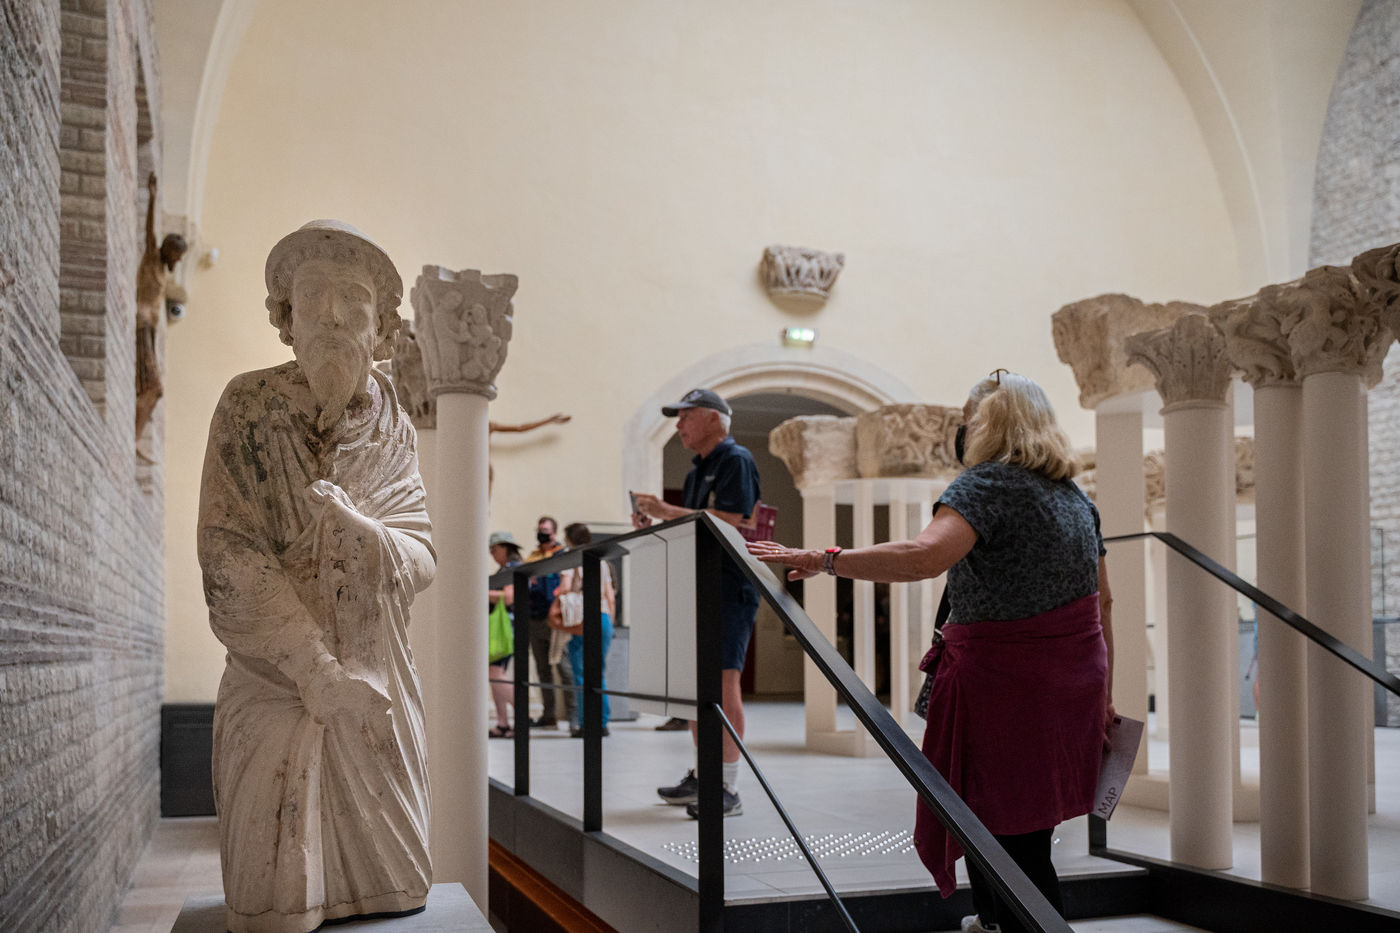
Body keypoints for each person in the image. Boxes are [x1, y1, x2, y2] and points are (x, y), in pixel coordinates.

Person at [749, 371, 1114, 933]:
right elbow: (1104, 601)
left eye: (967, 420)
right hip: (1072, 680)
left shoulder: (985, 486)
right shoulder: (1075, 498)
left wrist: (825, 559)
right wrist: (1105, 695)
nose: (962, 432)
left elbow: (922, 557)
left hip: (1006, 686)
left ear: (986, 425)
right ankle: (992, 921)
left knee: (1007, 830)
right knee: (1013, 820)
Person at [198, 220, 434, 931]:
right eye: (312, 296)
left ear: (381, 326)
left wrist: (367, 537)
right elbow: (227, 553)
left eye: (352, 299)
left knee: (397, 872)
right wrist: (315, 671)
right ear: (286, 317)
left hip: (374, 681)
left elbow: (421, 553)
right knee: (274, 889)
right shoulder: (247, 407)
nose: (332, 315)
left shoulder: (393, 425)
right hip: (276, 675)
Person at [632, 387, 761, 819]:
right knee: (694, 687)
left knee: (723, 683)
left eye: (686, 416)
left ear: (713, 419)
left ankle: (728, 787)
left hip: (728, 586)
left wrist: (667, 510)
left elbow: (736, 520)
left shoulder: (736, 459)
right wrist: (654, 523)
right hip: (698, 585)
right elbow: (692, 527)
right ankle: (706, 776)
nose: (678, 425)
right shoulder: (696, 471)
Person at [135, 171, 188, 449]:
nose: (177, 262)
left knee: (152, 389)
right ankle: (133, 438)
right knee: (154, 388)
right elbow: (149, 233)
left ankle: (134, 436)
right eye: (177, 256)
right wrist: (153, 197)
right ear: (168, 250)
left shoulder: (163, 270)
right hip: (142, 324)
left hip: (150, 329)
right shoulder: (151, 259)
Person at [555, 523, 617, 737]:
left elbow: (565, 589)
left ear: (569, 539)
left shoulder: (571, 560)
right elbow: (610, 596)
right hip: (604, 617)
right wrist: (610, 622)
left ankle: (586, 723)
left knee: (581, 674)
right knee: (598, 672)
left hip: (582, 618)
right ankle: (602, 722)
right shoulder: (602, 561)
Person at [526, 515, 565, 728]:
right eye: (540, 530)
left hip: (555, 619)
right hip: (535, 618)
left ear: (554, 533)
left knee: (564, 668)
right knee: (543, 670)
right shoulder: (533, 556)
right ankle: (548, 714)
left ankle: (574, 718)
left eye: (546, 531)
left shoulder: (561, 555)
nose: (542, 534)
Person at [488, 530, 523, 738]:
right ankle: (503, 722)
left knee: (496, 674)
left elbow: (509, 597)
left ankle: (521, 718)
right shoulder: (506, 569)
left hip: (506, 628)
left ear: (505, 548)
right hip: (502, 628)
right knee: (494, 675)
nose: (492, 553)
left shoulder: (513, 568)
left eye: (495, 549)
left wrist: (479, 590)